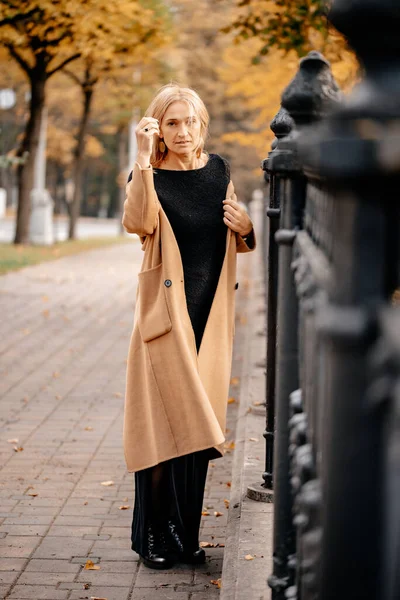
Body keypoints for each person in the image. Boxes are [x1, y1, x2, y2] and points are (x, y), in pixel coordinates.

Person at [122, 83, 255, 570]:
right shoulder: (149, 175)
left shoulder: (218, 171)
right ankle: (154, 534)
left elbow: (234, 237)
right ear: (158, 127)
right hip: (165, 319)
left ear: (202, 124)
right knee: (161, 429)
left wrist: (246, 228)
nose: (182, 131)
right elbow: (137, 223)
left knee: (198, 430)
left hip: (210, 318)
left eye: (190, 121)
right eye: (171, 122)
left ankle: (186, 531)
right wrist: (141, 157)